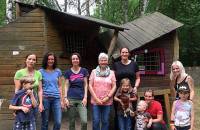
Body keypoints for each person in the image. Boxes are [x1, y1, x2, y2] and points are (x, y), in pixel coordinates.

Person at [112, 47, 140, 129]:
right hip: (119, 92)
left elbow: (138, 78)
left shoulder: (134, 64)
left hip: (131, 92)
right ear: (120, 53)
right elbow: (113, 79)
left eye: (126, 52)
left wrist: (135, 87)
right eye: (123, 52)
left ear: (129, 53)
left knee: (131, 112)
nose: (124, 54)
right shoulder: (116, 65)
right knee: (119, 113)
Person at [14, 53, 43, 130]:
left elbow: (40, 90)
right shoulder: (19, 73)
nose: (31, 61)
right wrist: (16, 107)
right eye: (29, 59)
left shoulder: (38, 73)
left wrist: (41, 103)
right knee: (22, 122)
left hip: (34, 99)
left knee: (33, 122)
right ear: (26, 60)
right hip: (23, 100)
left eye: (34, 60)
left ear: (36, 62)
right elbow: (17, 90)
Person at [89, 52, 116, 130]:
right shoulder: (93, 72)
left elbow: (114, 86)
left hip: (107, 101)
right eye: (101, 60)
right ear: (99, 62)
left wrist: (107, 97)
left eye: (105, 60)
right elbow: (90, 85)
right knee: (96, 121)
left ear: (107, 62)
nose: (103, 62)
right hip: (95, 101)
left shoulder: (111, 73)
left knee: (105, 121)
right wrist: (96, 99)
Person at [64, 52, 88, 130]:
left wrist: (85, 97)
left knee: (84, 121)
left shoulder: (84, 70)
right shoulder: (68, 72)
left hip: (81, 99)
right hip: (71, 98)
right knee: (71, 121)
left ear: (79, 60)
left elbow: (85, 84)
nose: (75, 60)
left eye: (76, 58)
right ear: (71, 60)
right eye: (73, 59)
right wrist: (65, 98)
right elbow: (66, 85)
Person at [40, 52, 63, 130]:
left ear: (54, 60)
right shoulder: (41, 72)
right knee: (45, 122)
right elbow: (39, 88)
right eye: (49, 59)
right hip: (45, 98)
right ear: (46, 60)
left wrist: (62, 99)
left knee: (58, 122)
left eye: (52, 59)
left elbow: (60, 86)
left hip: (56, 98)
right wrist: (40, 101)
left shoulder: (58, 71)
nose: (50, 61)